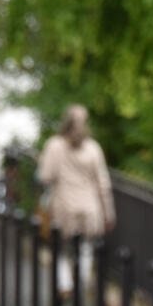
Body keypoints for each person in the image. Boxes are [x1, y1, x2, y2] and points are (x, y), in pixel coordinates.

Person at [36, 105, 115, 295]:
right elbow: (103, 184)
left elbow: (45, 176)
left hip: (64, 206)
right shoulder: (93, 149)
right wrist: (109, 212)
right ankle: (82, 281)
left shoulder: (55, 145)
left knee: (63, 247)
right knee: (86, 246)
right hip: (90, 207)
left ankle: (65, 285)